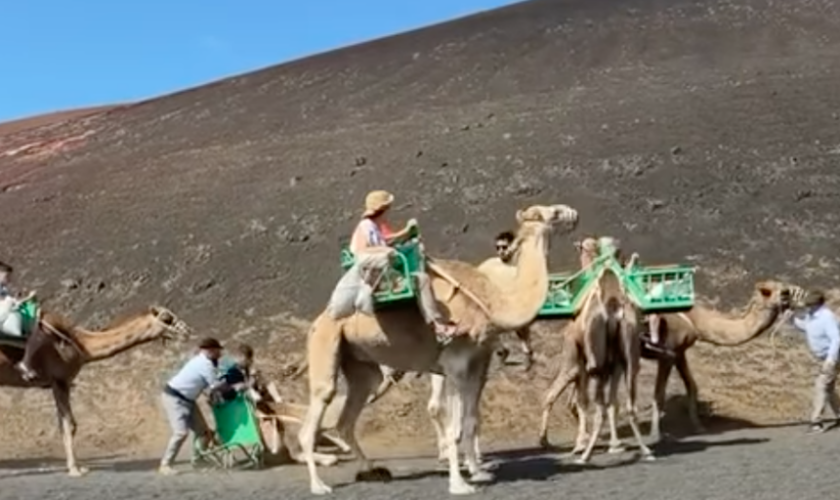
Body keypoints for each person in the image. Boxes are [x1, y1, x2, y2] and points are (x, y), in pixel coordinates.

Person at [348, 190, 460, 340]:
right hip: (379, 279)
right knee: (422, 280)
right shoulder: (365, 227)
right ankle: (438, 326)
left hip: (381, 275)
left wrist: (405, 233)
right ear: (383, 209)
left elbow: (385, 241)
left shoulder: (372, 226)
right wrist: (387, 251)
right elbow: (361, 252)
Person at [158, 337, 226, 475]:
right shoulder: (205, 364)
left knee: (204, 433)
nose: (220, 353)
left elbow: (203, 385)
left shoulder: (206, 362)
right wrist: (231, 383)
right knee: (180, 433)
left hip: (188, 400)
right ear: (210, 351)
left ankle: (198, 461)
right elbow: (215, 385)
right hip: (174, 398)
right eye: (218, 350)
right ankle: (165, 465)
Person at [790, 290, 840, 434]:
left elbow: (836, 339)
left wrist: (831, 360)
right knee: (828, 388)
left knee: (821, 385)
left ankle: (816, 422)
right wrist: (790, 316)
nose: (807, 306)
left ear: (818, 304)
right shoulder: (811, 316)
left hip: (834, 356)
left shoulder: (827, 317)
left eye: (810, 304)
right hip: (826, 357)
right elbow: (805, 327)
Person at [0, 261, 42, 379]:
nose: (9, 280)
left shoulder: (3, 289)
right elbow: (5, 307)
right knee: (32, 336)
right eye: (7, 276)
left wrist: (23, 300)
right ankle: (26, 363)